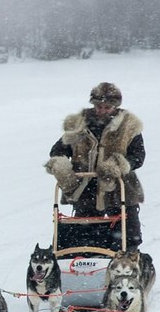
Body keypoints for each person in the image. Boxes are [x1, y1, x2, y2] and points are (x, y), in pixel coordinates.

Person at [45, 82, 145, 249]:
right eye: (99, 106)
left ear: (115, 106)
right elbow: (58, 149)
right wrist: (61, 165)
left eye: (107, 107)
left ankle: (128, 260)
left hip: (118, 186)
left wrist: (120, 165)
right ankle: (86, 260)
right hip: (85, 187)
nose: (102, 110)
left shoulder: (129, 126)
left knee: (127, 234)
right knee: (84, 234)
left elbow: (138, 155)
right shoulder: (79, 124)